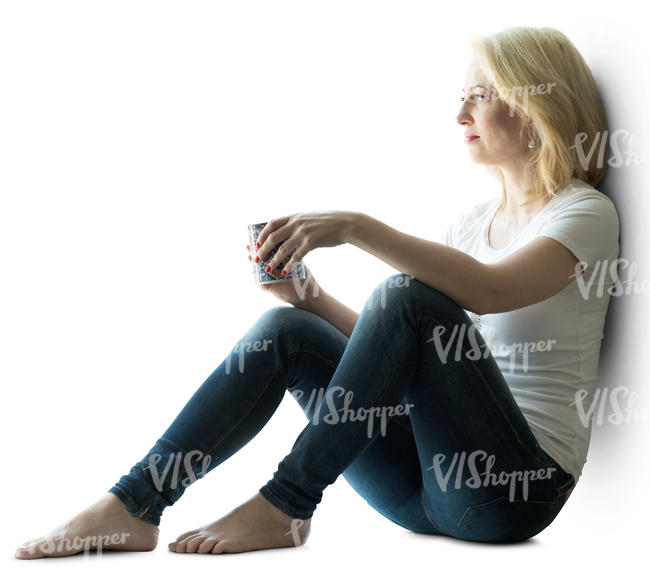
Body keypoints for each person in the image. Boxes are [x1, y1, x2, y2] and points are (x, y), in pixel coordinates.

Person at [15, 25, 619, 558]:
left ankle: (287, 501)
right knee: (291, 333)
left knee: (407, 296)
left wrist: (353, 226)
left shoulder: (583, 214)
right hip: (417, 491)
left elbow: (489, 291)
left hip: (510, 494)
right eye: (460, 96)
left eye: (481, 96)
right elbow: (403, 353)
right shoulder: (471, 223)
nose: (460, 113)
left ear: (540, 104)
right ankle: (133, 504)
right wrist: (312, 302)